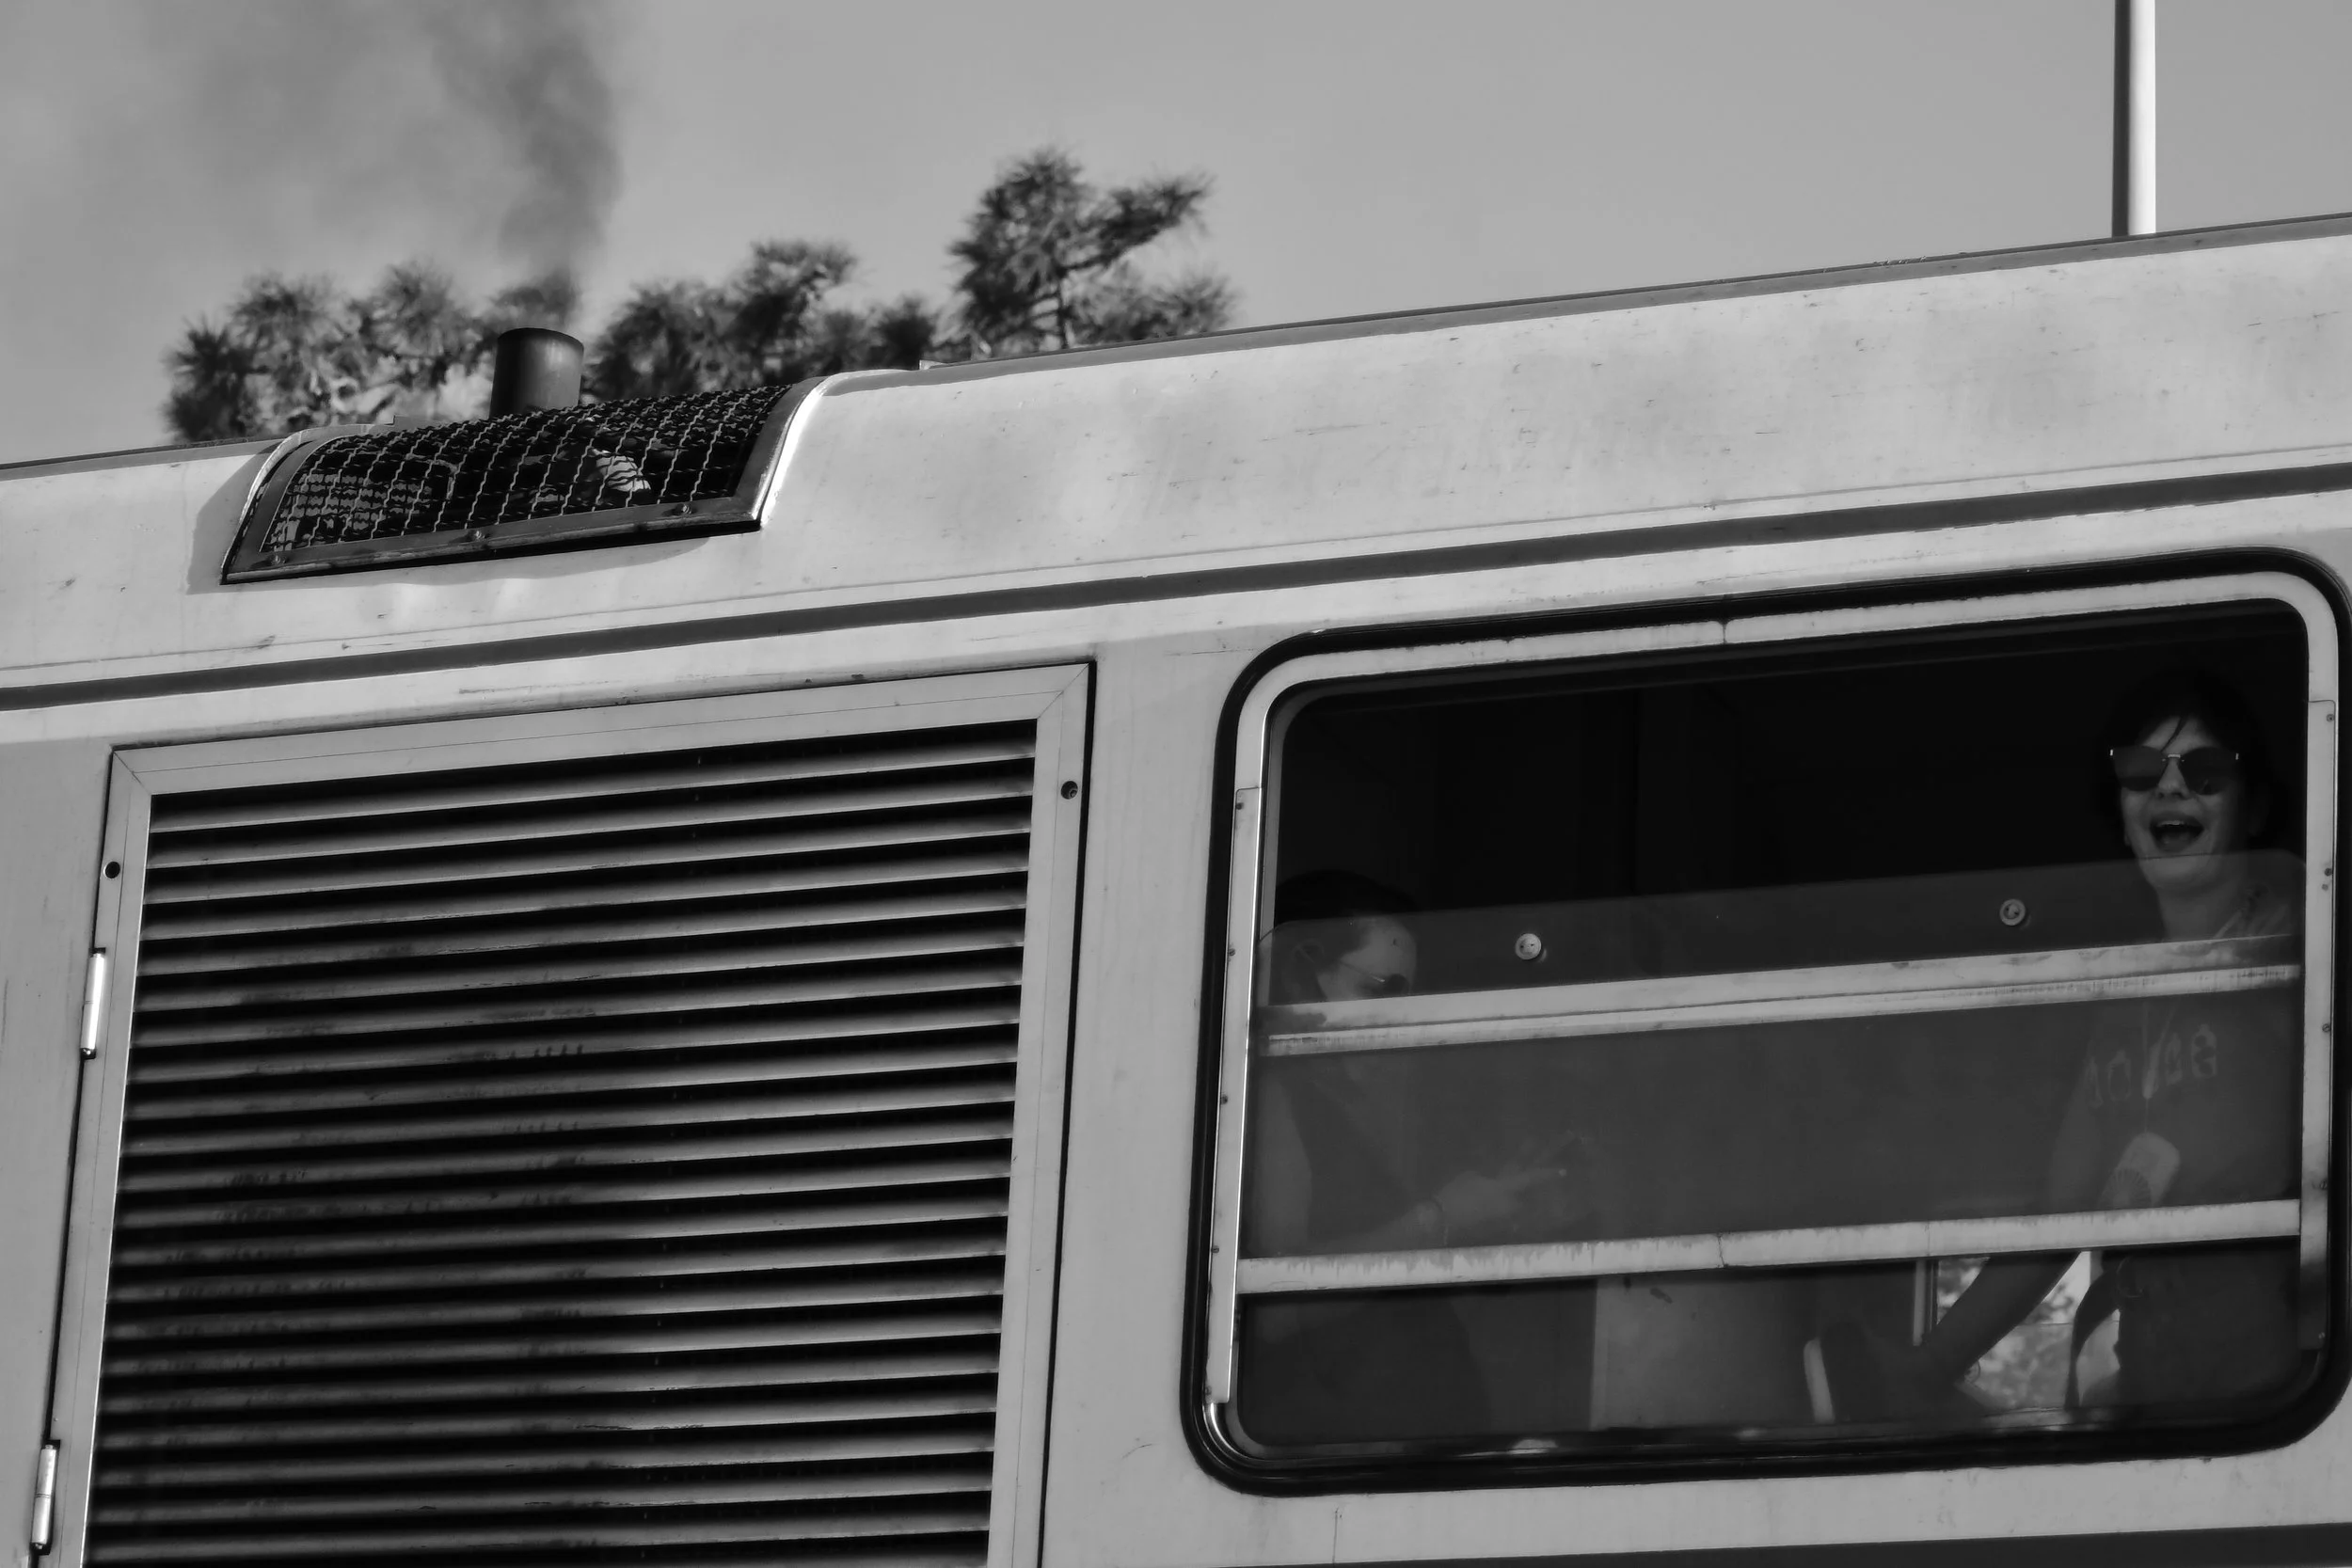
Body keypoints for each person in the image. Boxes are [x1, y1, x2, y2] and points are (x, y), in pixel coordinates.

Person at [1845, 671, 2304, 1417]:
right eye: (2141, 772)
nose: (2171, 787)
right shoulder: (2123, 1004)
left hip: (2287, 1402)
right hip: (2155, 1392)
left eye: (2207, 770)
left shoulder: (2306, 951)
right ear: (2122, 816)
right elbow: (2062, 1215)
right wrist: (1929, 1366)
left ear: (2252, 808)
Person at [1233, 870, 1583, 1446]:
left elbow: (1377, 1299)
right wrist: (1440, 1221)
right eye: (1380, 990)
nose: (1397, 1017)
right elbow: (1275, 1310)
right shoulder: (1271, 1099)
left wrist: (1489, 1223)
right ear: (1299, 972)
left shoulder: (1333, 1115)